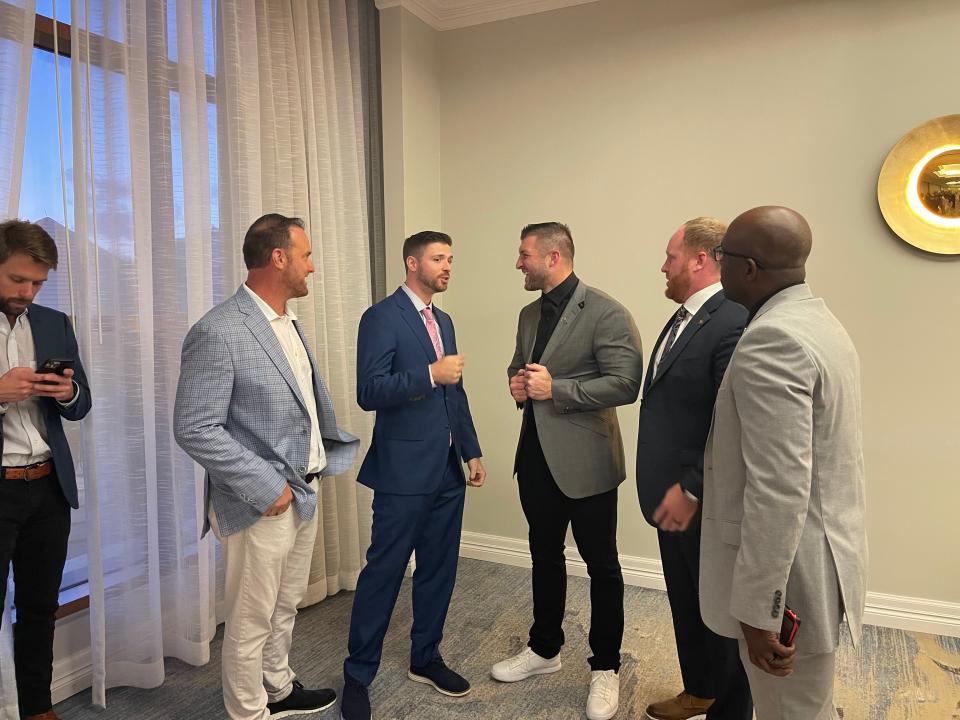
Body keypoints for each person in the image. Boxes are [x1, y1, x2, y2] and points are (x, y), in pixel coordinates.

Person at [174, 213, 359, 720]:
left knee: (284, 607)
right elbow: (194, 427)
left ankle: (277, 689)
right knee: (251, 619)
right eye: (306, 255)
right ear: (278, 258)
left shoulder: (286, 324)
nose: (313, 267)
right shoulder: (218, 331)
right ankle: (248, 712)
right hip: (260, 504)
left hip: (303, 492)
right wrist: (267, 485)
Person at [699, 206, 867, 720]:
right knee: (808, 705)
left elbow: (779, 491)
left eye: (722, 255)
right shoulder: (818, 320)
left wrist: (758, 610)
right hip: (823, 555)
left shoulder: (772, 341)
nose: (716, 263)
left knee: (788, 711)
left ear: (748, 269)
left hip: (790, 577)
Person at [493, 222, 643, 720]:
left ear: (553, 257)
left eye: (524, 254)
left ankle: (605, 668)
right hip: (534, 459)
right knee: (544, 554)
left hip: (589, 464)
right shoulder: (527, 313)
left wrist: (556, 390)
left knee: (602, 565)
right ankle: (544, 650)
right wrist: (516, 384)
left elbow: (625, 384)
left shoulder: (606, 311)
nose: (519, 263)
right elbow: (521, 366)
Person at [340, 231, 486, 720]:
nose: (447, 266)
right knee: (383, 572)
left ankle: (426, 657)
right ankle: (357, 675)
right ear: (411, 263)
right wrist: (429, 374)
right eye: (438, 258)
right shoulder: (382, 317)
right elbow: (369, 389)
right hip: (401, 470)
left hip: (447, 469)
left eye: (451, 258)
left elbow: (455, 393)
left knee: (440, 569)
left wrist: (471, 451)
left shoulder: (443, 319)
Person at [636, 217, 752, 720]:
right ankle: (699, 690)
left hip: (701, 497)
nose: (664, 267)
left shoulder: (731, 320)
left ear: (701, 259)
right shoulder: (685, 315)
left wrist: (693, 488)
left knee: (720, 617)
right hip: (671, 495)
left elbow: (732, 423)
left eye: (671, 257)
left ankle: (728, 708)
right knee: (687, 603)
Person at [0, 220, 91, 720]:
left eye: (37, 282)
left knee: (39, 609)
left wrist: (69, 393)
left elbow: (83, 403)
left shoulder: (55, 322)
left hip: (49, 487)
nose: (28, 292)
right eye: (17, 280)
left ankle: (37, 708)